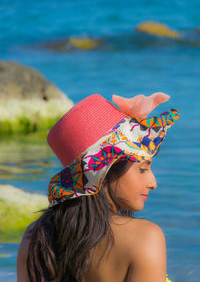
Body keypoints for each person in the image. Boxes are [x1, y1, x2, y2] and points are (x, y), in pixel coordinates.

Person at [17, 92, 180, 282]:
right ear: (104, 172)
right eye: (142, 169)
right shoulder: (144, 238)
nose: (153, 183)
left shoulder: (35, 239)